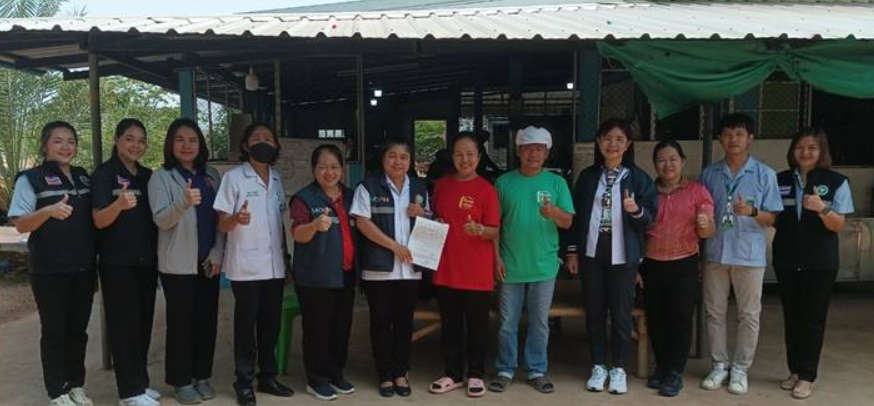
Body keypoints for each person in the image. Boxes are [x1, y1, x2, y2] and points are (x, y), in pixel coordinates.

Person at [566, 118, 657, 395]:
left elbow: (650, 217)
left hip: (623, 255)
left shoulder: (638, 178)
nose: (612, 144)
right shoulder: (588, 177)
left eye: (619, 139)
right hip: (592, 254)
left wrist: (635, 211)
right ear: (598, 142)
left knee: (620, 314)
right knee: (594, 311)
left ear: (628, 144)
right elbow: (575, 217)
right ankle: (598, 366)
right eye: (607, 138)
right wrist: (572, 252)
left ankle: (618, 368)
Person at [9, 122, 96, 406]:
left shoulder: (83, 177)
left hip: (83, 267)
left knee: (78, 331)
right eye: (58, 141)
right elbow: (21, 224)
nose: (65, 147)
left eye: (70, 141)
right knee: (55, 331)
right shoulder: (30, 179)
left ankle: (76, 384)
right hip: (50, 269)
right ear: (45, 145)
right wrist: (47, 210)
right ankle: (57, 390)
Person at [699, 113, 782, 395]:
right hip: (716, 252)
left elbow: (773, 218)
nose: (733, 139)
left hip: (749, 255)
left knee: (749, 314)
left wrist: (753, 211)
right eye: (727, 134)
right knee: (714, 312)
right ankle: (719, 365)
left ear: (750, 138)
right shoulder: (710, 174)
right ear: (720, 139)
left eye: (739, 133)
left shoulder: (765, 174)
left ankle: (740, 369)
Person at [488, 126, 574, 394]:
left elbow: (567, 222)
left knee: (539, 323)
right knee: (507, 323)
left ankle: (537, 369)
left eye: (539, 149)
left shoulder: (557, 183)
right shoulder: (503, 183)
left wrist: (554, 212)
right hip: (510, 264)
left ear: (547, 154)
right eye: (528, 148)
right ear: (518, 151)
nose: (533, 154)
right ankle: (505, 368)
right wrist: (496, 259)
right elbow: (494, 226)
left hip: (543, 265)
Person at [214, 123, 292, 406]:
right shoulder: (234, 178)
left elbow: (279, 223)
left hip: (274, 265)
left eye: (268, 138)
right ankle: (244, 381)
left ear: (275, 146)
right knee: (246, 327)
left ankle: (267, 377)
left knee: (271, 325)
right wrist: (236, 219)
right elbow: (222, 223)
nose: (263, 142)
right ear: (246, 145)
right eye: (256, 138)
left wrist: (286, 259)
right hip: (245, 266)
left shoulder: (277, 178)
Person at [148, 118, 225, 405]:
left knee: (206, 322)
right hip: (178, 265)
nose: (186, 145)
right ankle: (181, 380)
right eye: (180, 139)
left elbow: (221, 219)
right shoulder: (161, 177)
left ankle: (202, 376)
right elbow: (161, 219)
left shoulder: (211, 175)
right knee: (181, 324)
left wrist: (217, 253)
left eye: (192, 140)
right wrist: (183, 202)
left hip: (208, 261)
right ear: (170, 143)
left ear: (200, 145)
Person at [772, 128, 853, 399]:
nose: (805, 152)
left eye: (812, 147)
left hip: (820, 262)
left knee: (812, 320)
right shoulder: (781, 179)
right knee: (792, 317)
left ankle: (807, 376)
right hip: (786, 259)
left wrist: (822, 208)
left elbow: (838, 224)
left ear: (821, 151)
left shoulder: (836, 181)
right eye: (799, 147)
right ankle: (794, 370)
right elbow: (774, 217)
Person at [350, 138, 429, 398]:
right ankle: (384, 374)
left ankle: (401, 372)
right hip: (378, 269)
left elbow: (430, 222)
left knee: (404, 323)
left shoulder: (419, 187)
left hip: (410, 269)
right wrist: (394, 246)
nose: (398, 162)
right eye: (392, 156)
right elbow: (362, 223)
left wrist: (423, 214)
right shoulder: (368, 187)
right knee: (381, 323)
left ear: (410, 161)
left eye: (403, 157)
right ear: (383, 160)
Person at [91, 119, 161, 406]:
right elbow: (98, 219)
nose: (136, 145)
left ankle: (140, 383)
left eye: (141, 140)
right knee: (124, 326)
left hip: (146, 261)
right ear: (116, 140)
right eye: (130, 139)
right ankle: (129, 392)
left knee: (143, 323)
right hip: (118, 263)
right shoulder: (105, 174)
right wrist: (118, 205)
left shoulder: (147, 175)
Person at [640, 140, 715, 397]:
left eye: (673, 159)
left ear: (682, 161)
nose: (668, 165)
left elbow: (708, 230)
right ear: (655, 165)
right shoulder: (647, 192)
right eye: (661, 160)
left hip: (684, 263)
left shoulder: (697, 191)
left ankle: (675, 372)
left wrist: (704, 223)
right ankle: (661, 366)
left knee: (680, 318)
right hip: (651, 263)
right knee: (656, 317)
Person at [428, 132, 500, 397]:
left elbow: (494, 230)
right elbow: (435, 216)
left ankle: (476, 374)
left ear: (479, 157)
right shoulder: (442, 186)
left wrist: (479, 229)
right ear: (452, 157)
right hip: (446, 267)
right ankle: (453, 373)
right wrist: (434, 220)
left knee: (477, 327)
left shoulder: (487, 190)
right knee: (450, 326)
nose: (464, 159)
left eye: (470, 154)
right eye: (459, 154)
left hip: (476, 271)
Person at [290, 144, 357, 401]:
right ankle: (317, 379)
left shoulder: (351, 196)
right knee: (318, 329)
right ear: (313, 169)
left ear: (342, 169)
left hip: (345, 274)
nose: (329, 172)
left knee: (341, 328)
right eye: (323, 167)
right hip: (316, 277)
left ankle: (336, 373)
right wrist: (314, 226)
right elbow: (298, 233)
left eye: (335, 166)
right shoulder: (304, 198)